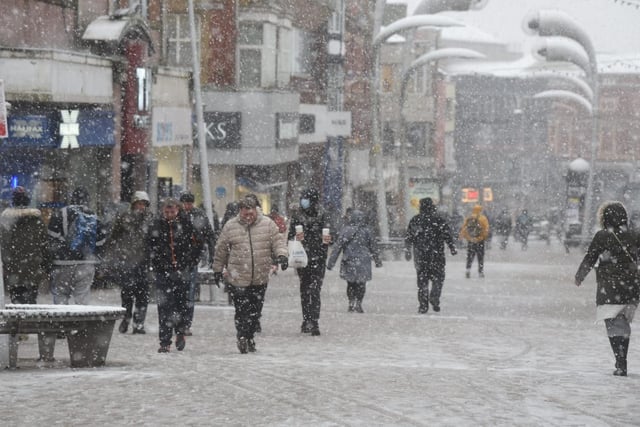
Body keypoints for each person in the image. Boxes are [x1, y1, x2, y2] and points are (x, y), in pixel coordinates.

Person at [212, 195, 288, 353]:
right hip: (238, 276)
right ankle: (242, 336)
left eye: (250, 213)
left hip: (259, 276)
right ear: (240, 212)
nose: (248, 217)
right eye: (244, 214)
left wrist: (282, 255)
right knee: (241, 310)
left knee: (255, 311)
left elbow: (278, 241)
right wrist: (217, 269)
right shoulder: (230, 226)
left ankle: (250, 335)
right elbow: (221, 250)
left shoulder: (267, 224)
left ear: (256, 211)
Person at [575, 201, 640, 376]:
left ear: (604, 218)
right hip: (632, 287)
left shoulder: (602, 236)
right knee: (623, 324)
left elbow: (591, 257)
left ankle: (620, 362)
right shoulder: (635, 235)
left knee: (613, 324)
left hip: (609, 287)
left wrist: (580, 275)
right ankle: (622, 360)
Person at [147, 197, 201, 353]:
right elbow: (149, 245)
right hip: (163, 272)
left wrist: (190, 261)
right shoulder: (156, 225)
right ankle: (164, 341)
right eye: (167, 212)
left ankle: (180, 332)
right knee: (164, 307)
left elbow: (198, 243)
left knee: (181, 304)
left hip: (182, 271)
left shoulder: (186, 224)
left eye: (172, 211)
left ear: (178, 210)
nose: (169, 214)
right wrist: (156, 262)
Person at [47, 186, 107, 305]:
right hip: (86, 264)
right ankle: (81, 322)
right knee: (82, 298)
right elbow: (101, 241)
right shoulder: (93, 216)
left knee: (60, 295)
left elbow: (51, 239)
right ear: (87, 200)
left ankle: (61, 322)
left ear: (72, 198)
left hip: (62, 264)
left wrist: (50, 260)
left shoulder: (60, 213)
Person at [104, 191, 153, 334]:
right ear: (134, 204)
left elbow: (156, 239)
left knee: (142, 295)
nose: (141, 207)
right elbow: (114, 238)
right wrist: (112, 256)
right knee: (127, 294)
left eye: (144, 204)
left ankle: (139, 323)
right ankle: (126, 319)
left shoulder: (151, 219)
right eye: (139, 203)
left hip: (144, 262)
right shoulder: (123, 218)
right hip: (127, 261)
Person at [287, 188, 332, 336]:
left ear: (313, 200)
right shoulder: (297, 216)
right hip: (302, 258)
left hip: (318, 258)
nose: (303, 201)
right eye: (302, 198)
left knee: (315, 289)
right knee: (305, 289)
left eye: (305, 198)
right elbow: (290, 236)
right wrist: (296, 239)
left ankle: (314, 321)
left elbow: (332, 235)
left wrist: (327, 238)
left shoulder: (323, 215)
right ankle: (306, 319)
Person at [405, 198, 457, 313]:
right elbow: (447, 235)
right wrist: (452, 247)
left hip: (421, 256)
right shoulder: (439, 220)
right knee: (438, 278)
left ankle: (423, 305)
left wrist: (407, 251)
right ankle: (434, 296)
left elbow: (409, 237)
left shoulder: (415, 220)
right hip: (436, 255)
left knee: (422, 281)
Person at [0, 187, 51, 304]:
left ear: (13, 201)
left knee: (16, 300)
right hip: (33, 267)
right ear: (27, 201)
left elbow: (3, 245)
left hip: (13, 268)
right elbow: (44, 243)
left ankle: (18, 320)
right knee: (31, 300)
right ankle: (31, 321)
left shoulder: (5, 221)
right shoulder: (37, 220)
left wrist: (5, 262)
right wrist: (47, 263)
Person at [327, 209, 382, 313]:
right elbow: (373, 247)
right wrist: (377, 261)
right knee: (361, 284)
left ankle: (351, 302)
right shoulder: (367, 231)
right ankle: (359, 303)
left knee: (351, 284)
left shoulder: (345, 230)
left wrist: (331, 263)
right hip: (364, 262)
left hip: (349, 260)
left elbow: (337, 247)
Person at [180, 192, 218, 336]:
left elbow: (209, 235)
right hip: (176, 261)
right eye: (185, 203)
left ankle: (185, 324)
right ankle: (178, 322)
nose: (187, 206)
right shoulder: (177, 215)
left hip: (191, 260)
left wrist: (211, 255)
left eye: (189, 203)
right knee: (179, 293)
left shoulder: (199, 215)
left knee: (189, 293)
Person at [459, 204, 490, 279]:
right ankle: (480, 272)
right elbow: (486, 229)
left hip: (471, 241)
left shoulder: (469, 218)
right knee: (480, 257)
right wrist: (482, 238)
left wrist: (466, 237)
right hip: (480, 241)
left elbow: (464, 228)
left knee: (470, 256)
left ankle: (468, 270)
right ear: (480, 210)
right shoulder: (483, 218)